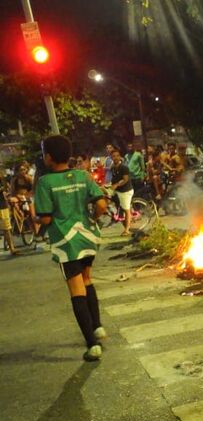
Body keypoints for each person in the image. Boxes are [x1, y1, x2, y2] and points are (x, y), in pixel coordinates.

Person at [34, 135, 108, 361]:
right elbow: (102, 205)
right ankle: (97, 327)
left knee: (76, 289)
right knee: (87, 279)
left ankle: (92, 344)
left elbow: (45, 219)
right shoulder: (83, 176)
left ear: (48, 157)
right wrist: (92, 219)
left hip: (66, 242)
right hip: (87, 237)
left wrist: (37, 220)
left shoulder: (45, 182)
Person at [10, 161, 41, 235]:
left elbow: (33, 190)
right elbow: (12, 191)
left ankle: (37, 231)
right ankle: (20, 217)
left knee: (32, 213)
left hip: (28, 197)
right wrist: (16, 196)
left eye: (24, 169)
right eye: (20, 170)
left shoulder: (29, 178)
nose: (22, 171)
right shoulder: (14, 180)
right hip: (18, 197)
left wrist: (25, 196)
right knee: (11, 201)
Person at [109, 148, 134, 236]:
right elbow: (114, 178)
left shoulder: (124, 167)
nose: (115, 158)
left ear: (120, 157)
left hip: (125, 191)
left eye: (117, 156)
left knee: (126, 210)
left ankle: (127, 230)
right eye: (113, 156)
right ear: (111, 157)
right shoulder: (112, 167)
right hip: (117, 191)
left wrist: (116, 185)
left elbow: (125, 179)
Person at [0, 178, 19, 256]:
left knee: (7, 228)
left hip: (2, 206)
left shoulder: (1, 178)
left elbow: (4, 188)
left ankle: (12, 249)